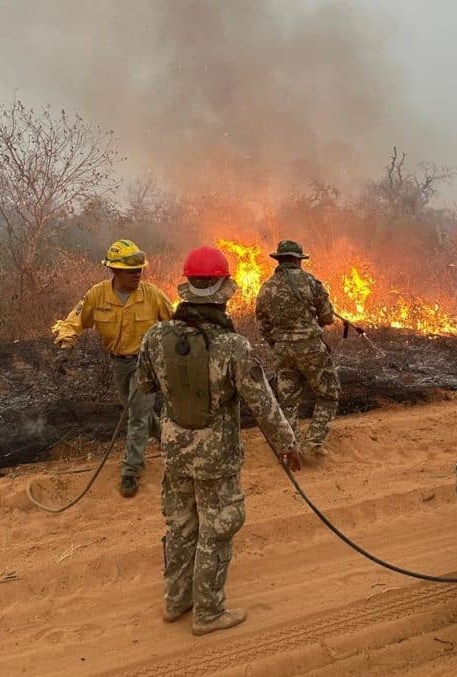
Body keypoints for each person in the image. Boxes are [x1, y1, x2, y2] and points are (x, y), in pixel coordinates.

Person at [137, 246, 301, 636]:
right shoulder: (233, 347)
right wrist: (287, 442)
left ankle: (176, 601)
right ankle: (208, 612)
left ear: (187, 286)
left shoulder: (156, 336)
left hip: (175, 451)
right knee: (218, 526)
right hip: (217, 457)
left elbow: (144, 385)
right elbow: (263, 403)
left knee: (179, 524)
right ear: (223, 288)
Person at [52, 239, 172, 498]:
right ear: (115, 271)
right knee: (137, 411)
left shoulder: (151, 294)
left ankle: (131, 470)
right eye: (132, 271)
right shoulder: (97, 295)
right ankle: (171, 439)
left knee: (137, 416)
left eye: (140, 270)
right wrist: (65, 348)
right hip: (119, 363)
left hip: (146, 364)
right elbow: (74, 321)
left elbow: (175, 322)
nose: (138, 274)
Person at [254, 240, 340, 457]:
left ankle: (290, 449)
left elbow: (263, 327)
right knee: (329, 394)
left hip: (282, 351)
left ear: (280, 260)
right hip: (311, 348)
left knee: (288, 400)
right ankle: (313, 444)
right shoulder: (311, 282)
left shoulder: (266, 288)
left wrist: (280, 343)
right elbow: (327, 317)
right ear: (297, 260)